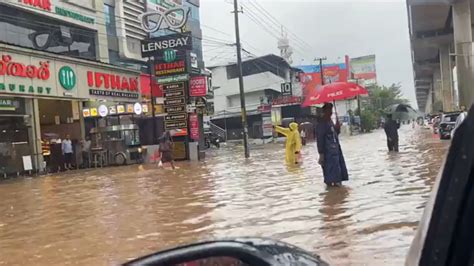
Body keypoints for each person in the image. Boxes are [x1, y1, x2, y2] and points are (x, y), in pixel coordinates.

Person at [316, 103, 349, 186]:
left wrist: (337, 128)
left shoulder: (330, 122)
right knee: (330, 176)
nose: (331, 113)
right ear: (324, 112)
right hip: (328, 154)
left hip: (335, 151)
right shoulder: (322, 124)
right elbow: (320, 139)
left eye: (331, 111)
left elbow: (334, 135)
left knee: (338, 174)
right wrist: (321, 154)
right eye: (329, 111)